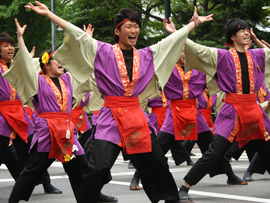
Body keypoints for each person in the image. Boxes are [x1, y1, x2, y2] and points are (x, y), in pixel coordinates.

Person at [24, 2, 213, 203]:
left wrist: (194, 23)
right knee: (99, 166)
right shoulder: (103, 51)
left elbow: (173, 40)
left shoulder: (147, 54)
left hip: (136, 116)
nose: (134, 30)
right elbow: (76, 33)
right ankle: (88, 198)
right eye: (129, 26)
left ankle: (170, 199)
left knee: (157, 162)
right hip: (111, 116)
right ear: (117, 30)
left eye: (136, 26)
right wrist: (49, 14)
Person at [4, 18, 117, 203]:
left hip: (66, 130)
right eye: (56, 60)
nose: (61, 62)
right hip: (47, 130)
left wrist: (86, 41)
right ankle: (14, 200)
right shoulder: (38, 81)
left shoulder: (67, 80)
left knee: (80, 166)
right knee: (33, 169)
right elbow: (24, 62)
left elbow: (81, 65)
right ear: (46, 65)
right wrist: (20, 38)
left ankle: (90, 197)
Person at [172, 18, 270, 201]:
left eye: (248, 30)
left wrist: (257, 41)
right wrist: (176, 33)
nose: (247, 33)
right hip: (233, 111)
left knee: (267, 149)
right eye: (242, 31)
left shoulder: (257, 55)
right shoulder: (222, 56)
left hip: (254, 111)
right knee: (215, 151)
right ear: (232, 36)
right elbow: (197, 49)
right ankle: (185, 186)